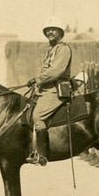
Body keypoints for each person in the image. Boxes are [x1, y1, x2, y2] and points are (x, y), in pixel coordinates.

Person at [26, 18, 73, 165]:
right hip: (44, 88)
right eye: (47, 30)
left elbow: (56, 71)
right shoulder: (51, 50)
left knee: (37, 115)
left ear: (60, 32)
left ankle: (42, 155)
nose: (50, 32)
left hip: (55, 89)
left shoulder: (63, 49)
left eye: (53, 29)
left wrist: (38, 78)